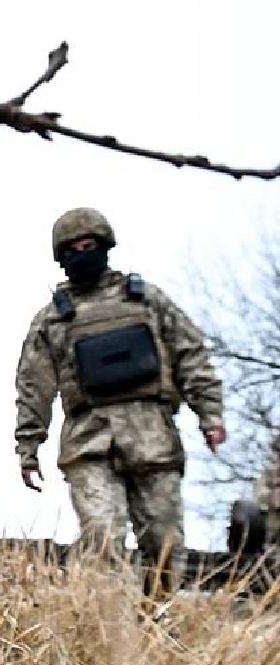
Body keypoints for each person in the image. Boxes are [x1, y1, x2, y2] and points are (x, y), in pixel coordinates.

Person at [14, 207, 225, 595]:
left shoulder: (145, 300)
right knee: (102, 537)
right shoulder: (52, 320)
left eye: (90, 245)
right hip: (88, 441)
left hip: (152, 437)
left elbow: (189, 353)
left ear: (105, 246)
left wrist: (209, 413)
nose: (83, 252)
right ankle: (112, 631)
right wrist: (28, 446)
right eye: (74, 248)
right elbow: (33, 385)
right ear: (62, 257)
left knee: (163, 543)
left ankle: (160, 625)